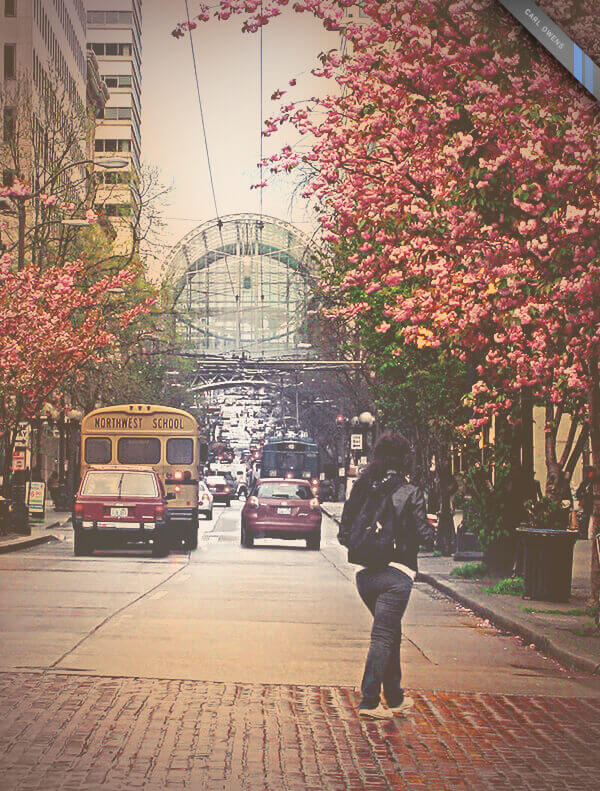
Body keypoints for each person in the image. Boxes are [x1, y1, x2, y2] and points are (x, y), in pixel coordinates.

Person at [338, 432, 434, 720]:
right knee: (383, 635)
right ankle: (369, 700)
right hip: (397, 574)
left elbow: (345, 532)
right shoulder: (409, 491)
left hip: (364, 575)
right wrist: (435, 528)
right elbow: (425, 537)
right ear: (405, 459)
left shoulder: (363, 487)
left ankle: (394, 697)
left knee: (391, 632)